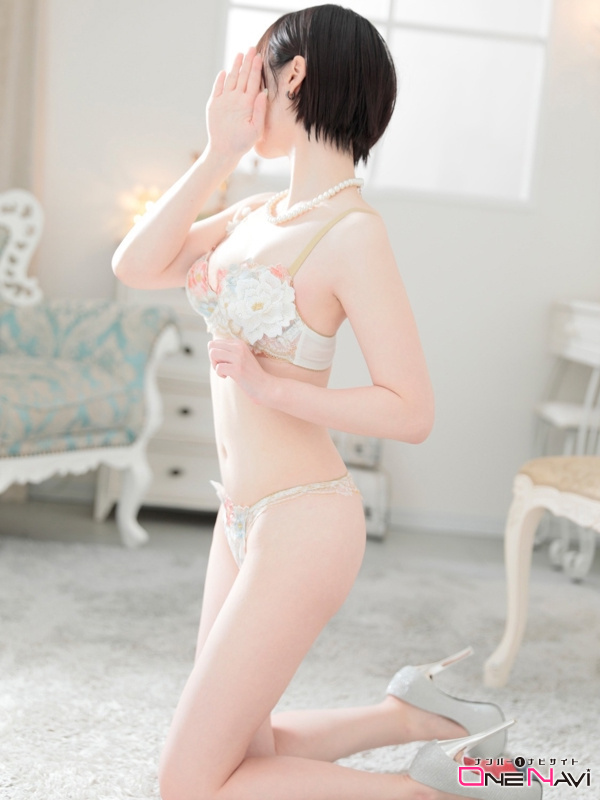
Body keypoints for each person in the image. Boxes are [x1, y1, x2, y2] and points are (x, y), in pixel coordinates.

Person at [113, 6, 540, 799]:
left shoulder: (353, 234)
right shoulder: (255, 213)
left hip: (304, 522)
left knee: (190, 783)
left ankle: (464, 788)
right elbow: (135, 266)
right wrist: (219, 153)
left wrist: (273, 387)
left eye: (256, 79)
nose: (244, 97)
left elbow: (411, 409)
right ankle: (414, 715)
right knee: (241, 750)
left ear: (295, 76)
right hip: (239, 516)